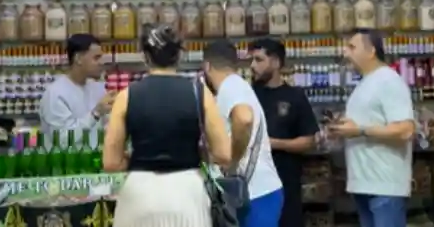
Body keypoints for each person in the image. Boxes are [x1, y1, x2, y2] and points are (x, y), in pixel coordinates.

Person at [103, 24, 232, 227]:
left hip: (139, 194)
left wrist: (138, 158)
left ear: (145, 56)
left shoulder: (126, 96)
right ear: (179, 56)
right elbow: (224, 154)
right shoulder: (199, 92)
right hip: (186, 192)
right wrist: (195, 153)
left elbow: (111, 162)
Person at [327, 29, 415, 227]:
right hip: (365, 183)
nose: (345, 53)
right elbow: (365, 124)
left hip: (384, 186)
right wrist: (341, 130)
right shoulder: (366, 83)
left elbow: (405, 130)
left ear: (371, 51)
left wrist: (359, 130)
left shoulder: (389, 80)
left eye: (352, 47)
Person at [203, 39, 285, 227]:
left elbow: (244, 118)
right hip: (254, 192)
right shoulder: (234, 85)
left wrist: (232, 159)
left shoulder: (231, 86)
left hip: (257, 194)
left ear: (207, 66)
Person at [249, 38, 320, 227]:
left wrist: (273, 143)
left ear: (276, 62)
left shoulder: (295, 96)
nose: (252, 65)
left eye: (258, 60)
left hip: (286, 186)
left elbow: (308, 141)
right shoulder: (248, 94)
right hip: (253, 187)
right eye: (252, 60)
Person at [39, 34, 114, 145]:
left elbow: (106, 127)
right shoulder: (56, 94)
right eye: (96, 58)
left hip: (95, 159)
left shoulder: (97, 88)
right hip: (68, 161)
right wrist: (95, 114)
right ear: (78, 59)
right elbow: (63, 140)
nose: (101, 62)